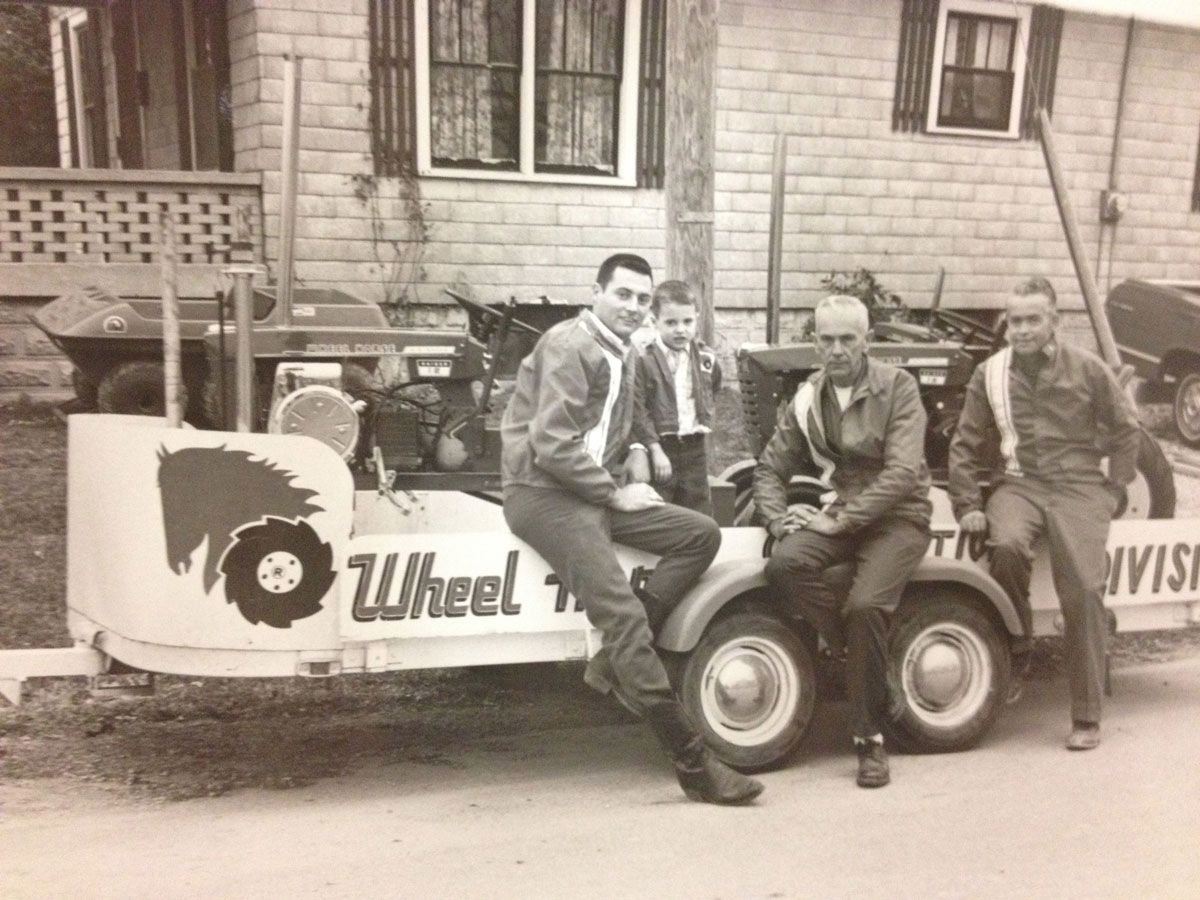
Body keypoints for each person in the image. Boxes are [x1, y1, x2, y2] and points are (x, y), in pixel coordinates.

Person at [501, 252, 763, 805]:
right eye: (623, 294)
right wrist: (612, 490)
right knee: (619, 612)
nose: (634, 307)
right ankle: (693, 763)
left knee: (700, 534)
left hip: (589, 488)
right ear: (596, 293)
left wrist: (635, 459)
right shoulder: (572, 346)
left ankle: (613, 664)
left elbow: (609, 432)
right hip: (545, 494)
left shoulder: (620, 350)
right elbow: (551, 446)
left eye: (643, 299)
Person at [949, 276, 1140, 751]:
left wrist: (1115, 487)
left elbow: (1126, 428)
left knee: (1083, 586)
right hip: (1019, 483)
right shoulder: (989, 374)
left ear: (1054, 322)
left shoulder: (1088, 369)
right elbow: (965, 444)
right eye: (1015, 321)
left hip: (1078, 486)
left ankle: (1087, 715)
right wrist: (968, 504)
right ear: (1006, 324)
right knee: (1008, 545)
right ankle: (1019, 650)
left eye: (1034, 320)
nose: (1023, 330)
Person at [755, 294, 932, 789]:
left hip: (899, 517)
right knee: (784, 565)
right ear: (814, 342)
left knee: (865, 608)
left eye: (847, 339)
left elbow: (901, 474)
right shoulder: (810, 396)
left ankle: (869, 739)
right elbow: (771, 467)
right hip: (839, 512)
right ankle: (863, 663)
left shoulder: (899, 388)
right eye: (826, 339)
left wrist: (844, 518)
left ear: (867, 342)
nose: (836, 350)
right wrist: (778, 521)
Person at [629, 280, 722, 516]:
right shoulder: (644, 360)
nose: (680, 329)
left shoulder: (705, 358)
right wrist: (655, 449)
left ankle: (698, 548)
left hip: (694, 446)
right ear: (654, 321)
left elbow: (713, 388)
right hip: (661, 446)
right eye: (671, 322)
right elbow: (637, 409)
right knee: (659, 506)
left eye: (687, 321)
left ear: (697, 318)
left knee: (698, 506)